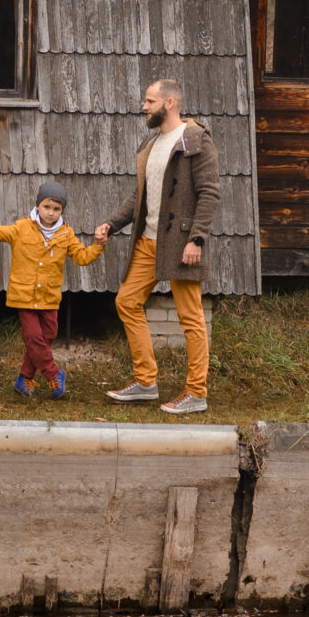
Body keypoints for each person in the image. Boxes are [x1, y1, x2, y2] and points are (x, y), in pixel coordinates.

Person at [93, 79, 219, 416]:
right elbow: (140, 195)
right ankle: (146, 381)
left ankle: (196, 392)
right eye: (146, 101)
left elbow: (209, 194)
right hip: (149, 241)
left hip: (180, 243)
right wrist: (112, 223)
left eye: (150, 101)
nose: (144, 107)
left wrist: (196, 239)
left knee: (191, 318)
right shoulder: (152, 142)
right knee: (127, 302)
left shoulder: (195, 140)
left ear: (171, 102)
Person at [0, 183, 106, 399]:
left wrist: (98, 245)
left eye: (56, 209)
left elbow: (82, 257)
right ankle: (54, 374)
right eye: (47, 206)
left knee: (47, 336)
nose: (51, 212)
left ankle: (24, 378)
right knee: (33, 337)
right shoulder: (22, 227)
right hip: (24, 296)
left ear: (62, 211)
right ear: (38, 206)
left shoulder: (66, 234)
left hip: (49, 297)